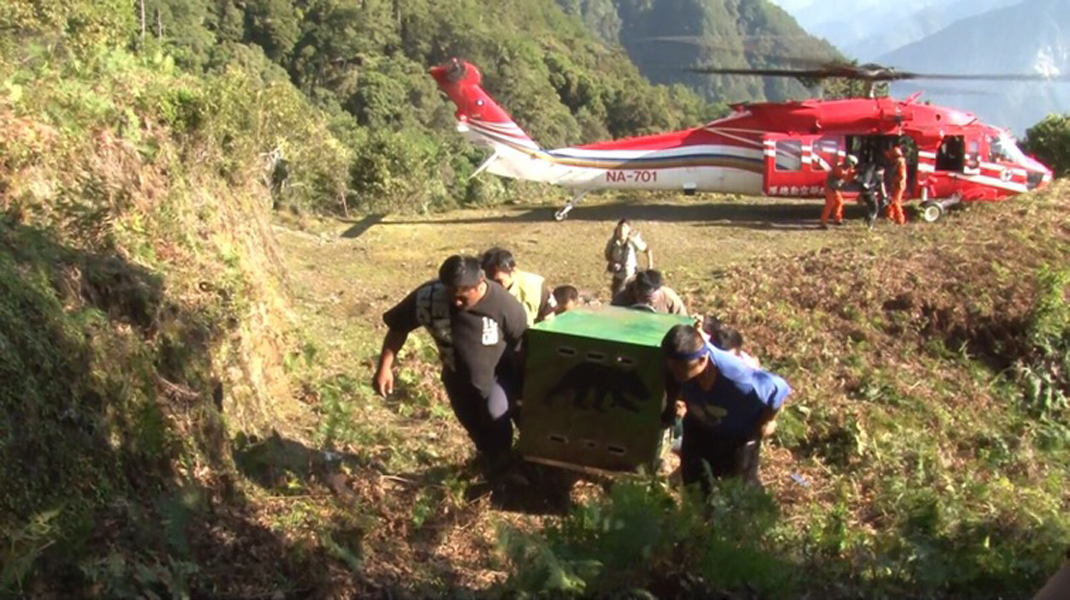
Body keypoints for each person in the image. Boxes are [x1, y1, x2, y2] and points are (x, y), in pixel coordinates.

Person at [374, 255, 528, 478]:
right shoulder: (429, 296)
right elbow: (398, 327)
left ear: (480, 284)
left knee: (496, 416)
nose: (455, 303)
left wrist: (524, 389)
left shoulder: (504, 305)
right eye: (450, 295)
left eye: (462, 299)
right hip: (457, 377)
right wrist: (384, 367)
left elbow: (522, 347)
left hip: (498, 377)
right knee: (475, 426)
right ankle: (490, 462)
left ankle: (508, 470)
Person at [661, 324, 791, 494]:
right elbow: (671, 382)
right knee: (695, 485)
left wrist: (767, 421)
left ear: (703, 360)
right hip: (699, 427)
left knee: (737, 491)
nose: (675, 372)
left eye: (681, 368)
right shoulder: (677, 365)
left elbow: (779, 388)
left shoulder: (738, 379)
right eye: (672, 367)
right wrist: (670, 407)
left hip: (738, 436)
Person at [480, 247, 556, 326]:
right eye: (490, 281)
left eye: (498, 281)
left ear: (513, 271)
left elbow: (549, 322)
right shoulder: (480, 291)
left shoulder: (536, 287)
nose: (494, 286)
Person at [604, 219, 653, 297]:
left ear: (628, 230)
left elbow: (647, 249)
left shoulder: (633, 241)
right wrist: (613, 263)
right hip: (617, 277)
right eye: (620, 228)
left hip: (630, 277)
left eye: (624, 228)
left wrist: (650, 266)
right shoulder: (613, 242)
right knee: (616, 298)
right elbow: (607, 255)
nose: (622, 231)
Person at [611, 269, 687, 315]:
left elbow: (683, 321)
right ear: (636, 290)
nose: (647, 303)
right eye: (645, 298)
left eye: (652, 298)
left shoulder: (670, 298)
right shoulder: (621, 300)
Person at [821, 154, 858, 228]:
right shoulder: (839, 169)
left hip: (836, 188)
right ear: (849, 163)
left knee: (840, 202)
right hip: (830, 187)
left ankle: (838, 219)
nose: (852, 166)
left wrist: (857, 172)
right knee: (830, 204)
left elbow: (850, 172)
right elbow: (845, 176)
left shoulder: (845, 168)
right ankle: (823, 223)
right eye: (852, 164)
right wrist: (854, 174)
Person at [856, 161, 887, 229]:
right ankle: (870, 225)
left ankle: (867, 220)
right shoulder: (879, 177)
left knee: (870, 206)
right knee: (874, 208)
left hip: (864, 193)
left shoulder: (870, 174)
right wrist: (885, 197)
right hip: (870, 193)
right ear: (882, 170)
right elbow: (882, 188)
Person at [885, 146, 907, 225]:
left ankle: (900, 219)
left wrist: (898, 182)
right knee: (890, 200)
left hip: (898, 185)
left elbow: (902, 176)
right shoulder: (895, 161)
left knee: (896, 202)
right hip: (894, 183)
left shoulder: (900, 163)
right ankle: (890, 216)